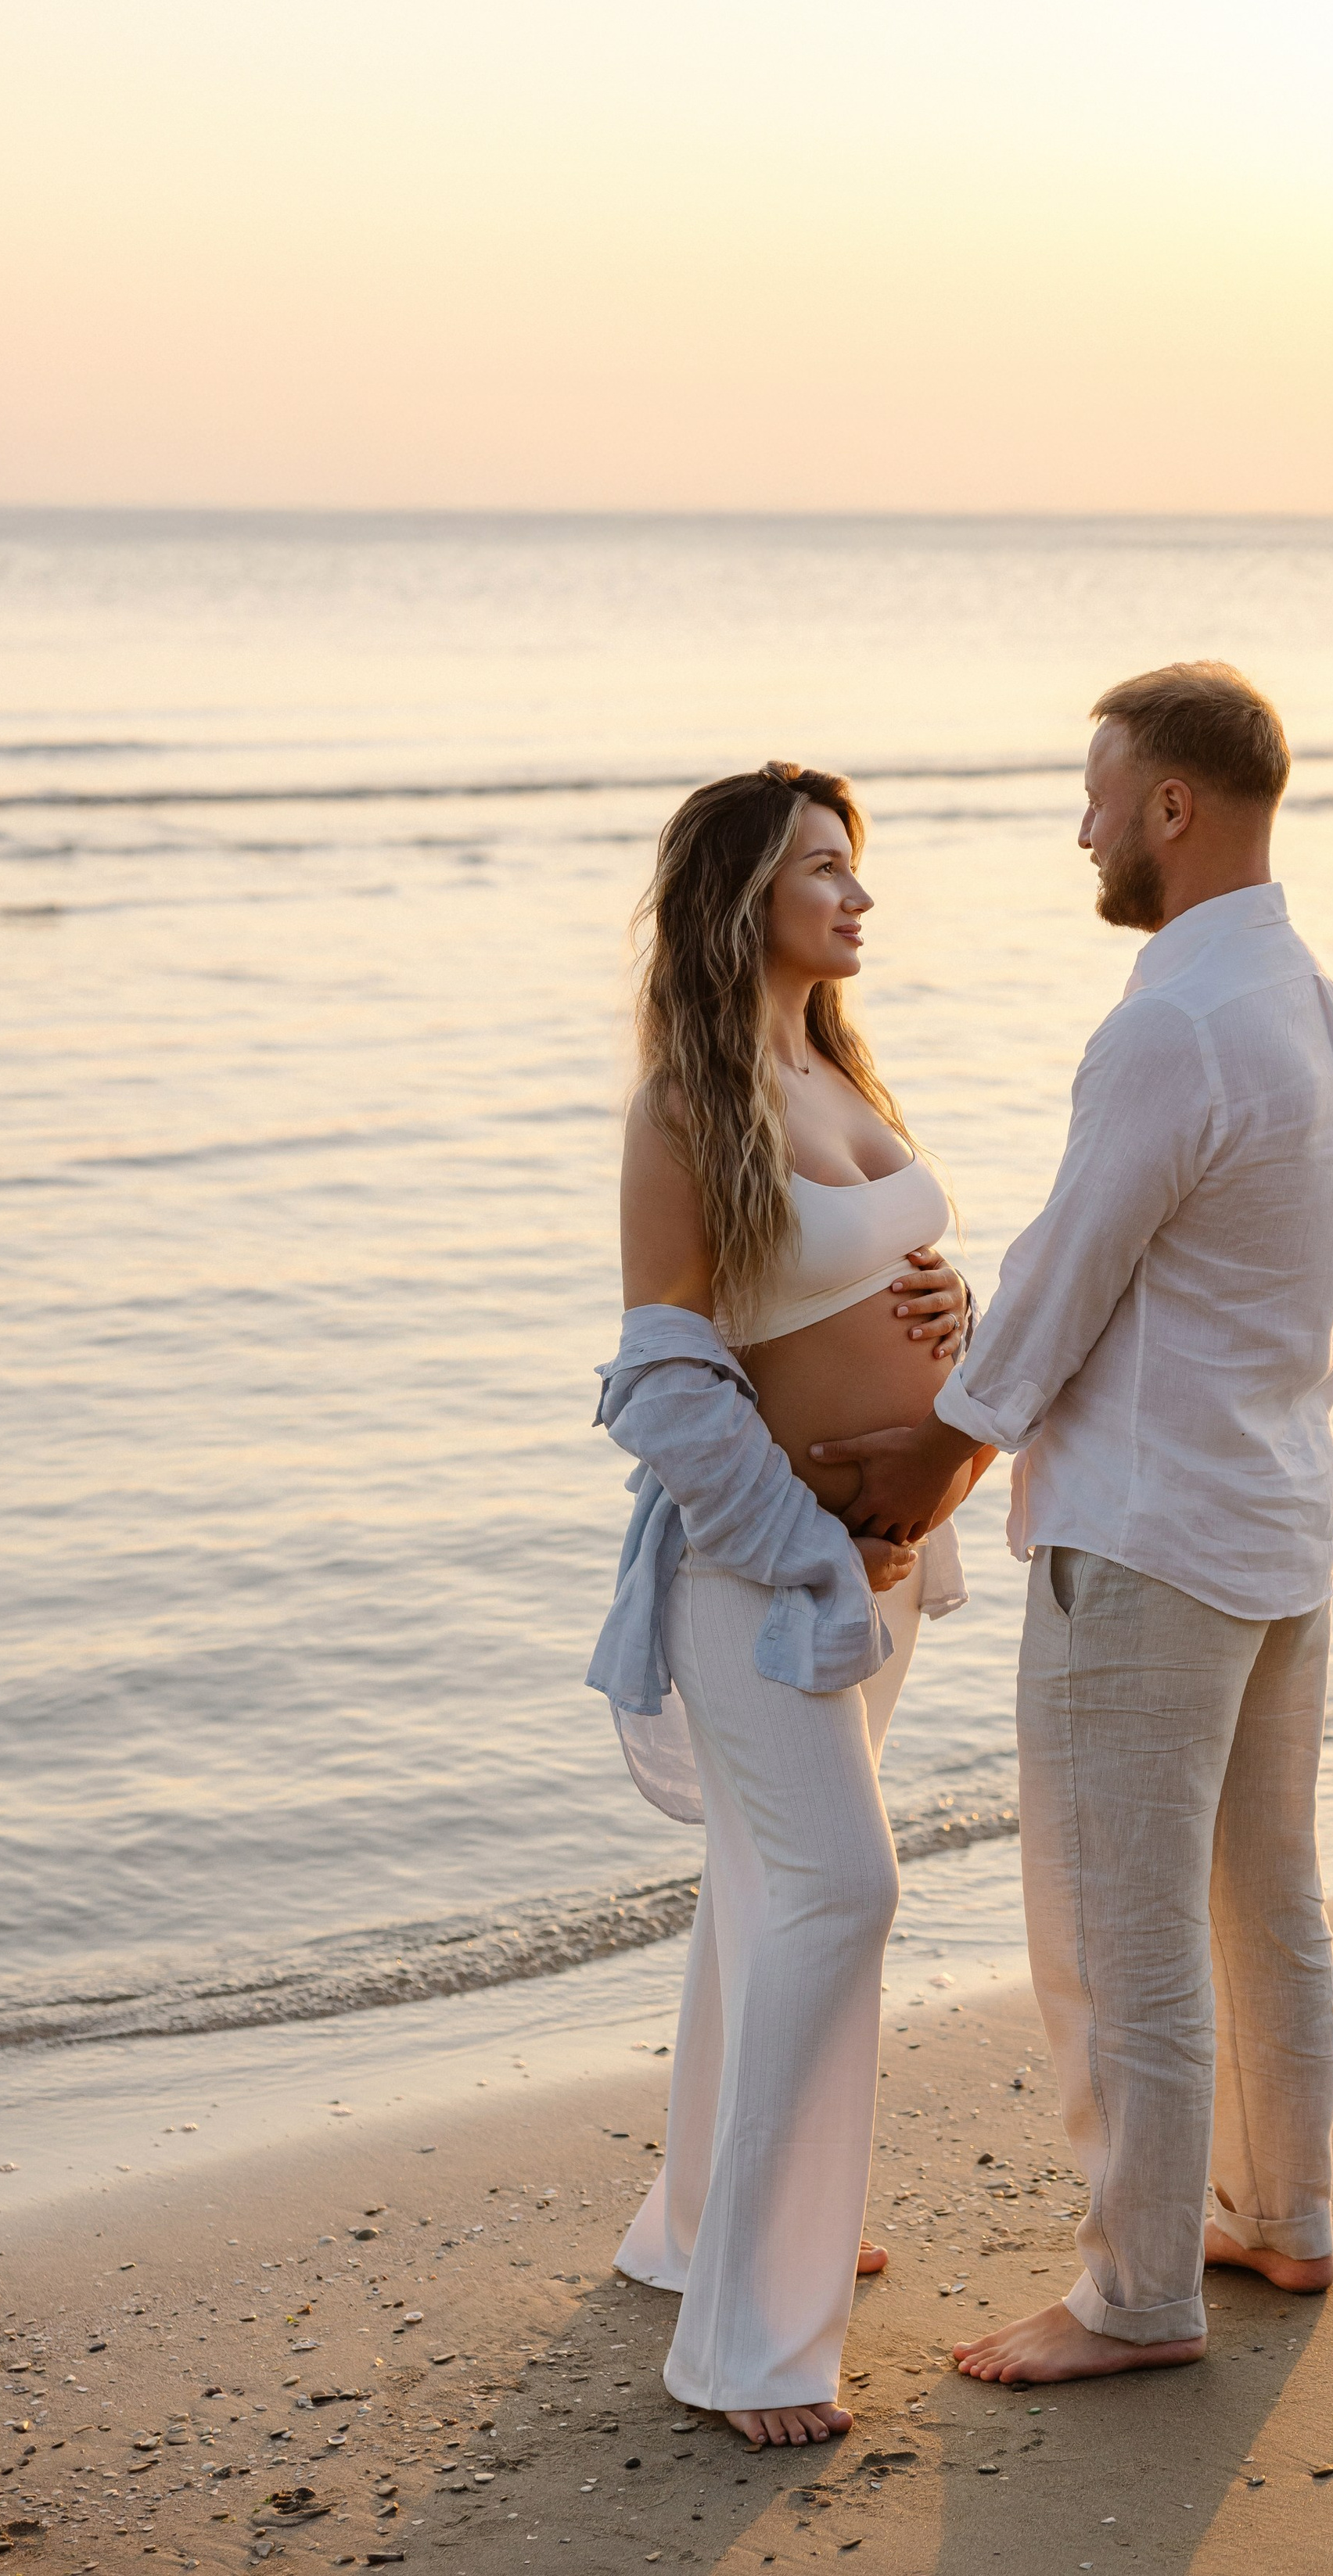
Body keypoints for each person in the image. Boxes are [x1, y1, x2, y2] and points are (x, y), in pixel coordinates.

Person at [815, 661, 1333, 2386]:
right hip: (1272, 1509)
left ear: (1171, 806)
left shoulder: (1171, 1019)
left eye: (1098, 787)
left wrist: (936, 1453)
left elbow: (1072, 1268)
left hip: (1146, 1539)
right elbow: (1191, 1274)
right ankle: (1282, 2212)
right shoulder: (1309, 999)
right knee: (1256, 1898)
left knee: (1109, 1922)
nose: (1082, 823)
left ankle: (1136, 2291)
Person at [587, 762, 993, 2446]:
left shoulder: (831, 1061)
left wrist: (950, 1328)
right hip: (761, 1579)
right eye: (825, 868)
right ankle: (751, 2336)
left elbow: (869, 1278)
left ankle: (702, 2227)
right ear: (743, 892)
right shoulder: (688, 1104)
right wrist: (821, 1542)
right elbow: (667, 1382)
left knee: (765, 1891)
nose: (858, 895)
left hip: (875, 1565)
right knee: (838, 1888)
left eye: (857, 866)